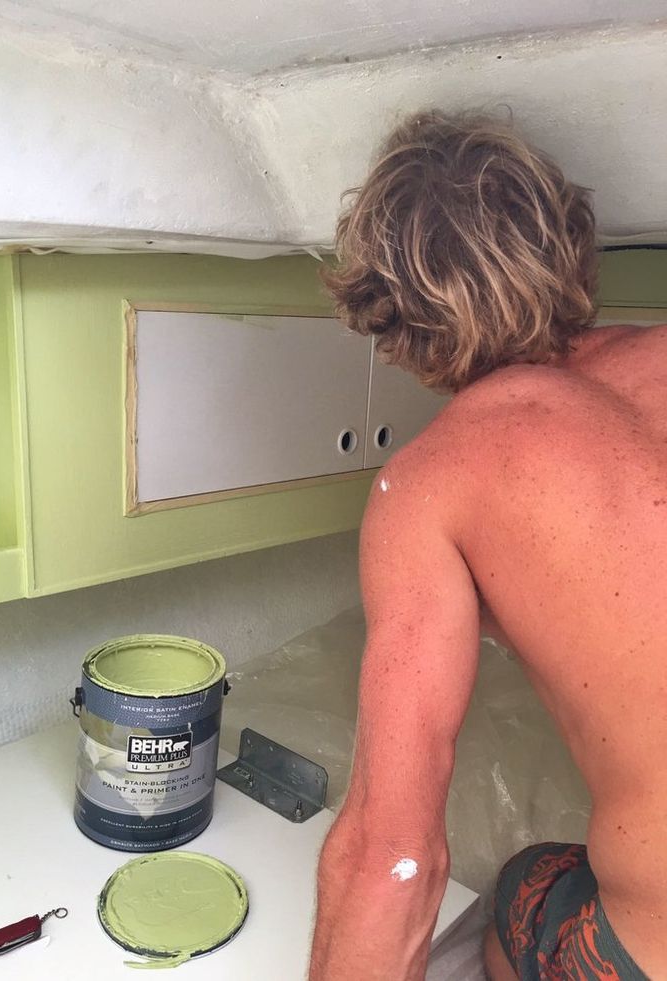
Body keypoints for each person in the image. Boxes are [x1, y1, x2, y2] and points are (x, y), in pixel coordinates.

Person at [308, 111, 666, 980]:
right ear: (575, 252)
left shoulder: (431, 482)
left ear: (391, 320)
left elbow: (391, 857)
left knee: (522, 888)